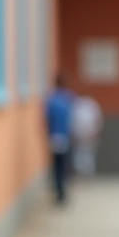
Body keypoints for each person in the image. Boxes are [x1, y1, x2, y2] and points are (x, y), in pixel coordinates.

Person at [44, 74, 76, 204]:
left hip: (55, 136)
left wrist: (48, 134)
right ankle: (63, 191)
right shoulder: (69, 98)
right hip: (66, 135)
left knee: (57, 165)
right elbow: (72, 118)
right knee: (64, 164)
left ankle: (59, 191)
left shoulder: (52, 99)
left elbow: (47, 119)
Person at [70, 93, 103, 177]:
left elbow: (97, 121)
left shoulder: (91, 106)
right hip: (80, 136)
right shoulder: (77, 106)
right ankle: (80, 173)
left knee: (88, 155)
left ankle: (87, 174)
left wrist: (95, 133)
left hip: (88, 135)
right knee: (79, 156)